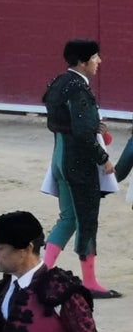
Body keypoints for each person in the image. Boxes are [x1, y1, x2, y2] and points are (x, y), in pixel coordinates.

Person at [41, 39, 120, 298]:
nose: (99, 62)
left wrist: (93, 125)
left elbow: (61, 120)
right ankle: (90, 282)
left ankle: (40, 274)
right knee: (86, 220)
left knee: (68, 218)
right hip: (79, 163)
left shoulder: (58, 82)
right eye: (95, 57)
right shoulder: (79, 90)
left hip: (59, 157)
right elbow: (83, 133)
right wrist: (103, 158)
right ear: (82, 62)